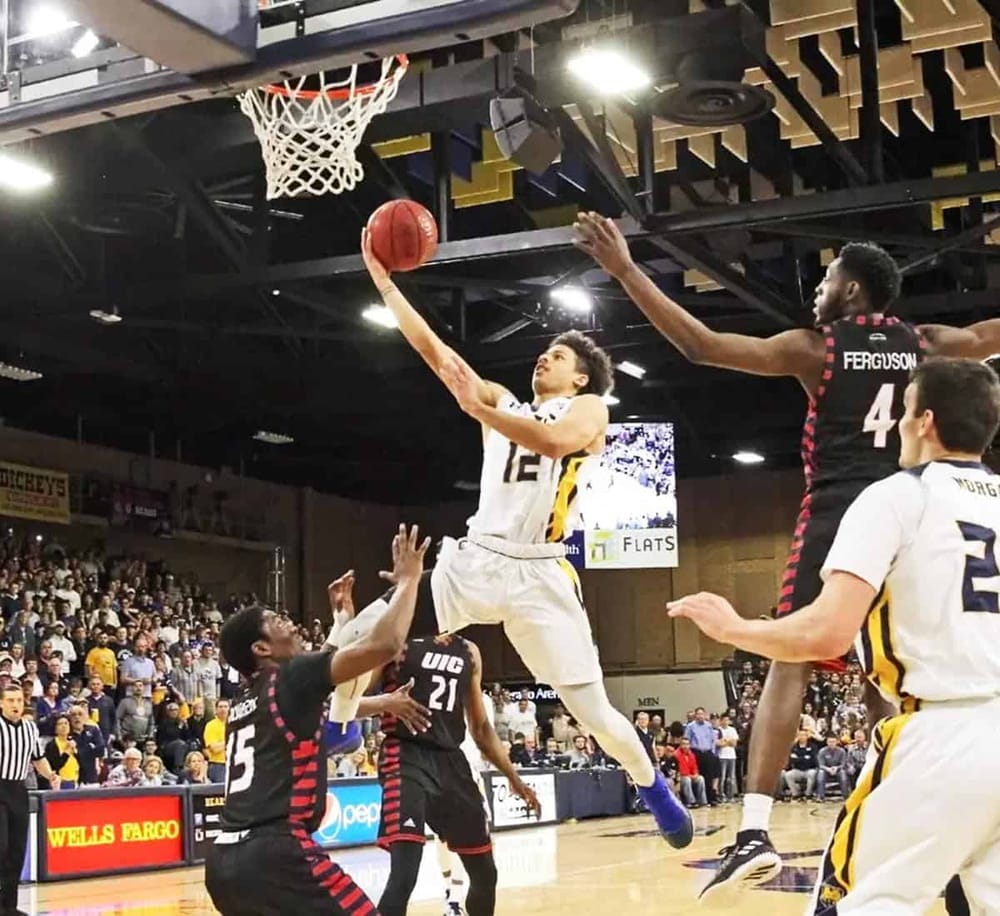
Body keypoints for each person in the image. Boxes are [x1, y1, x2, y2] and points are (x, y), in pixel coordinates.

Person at [577, 213, 1000, 892]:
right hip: (920, 507)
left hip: (843, 511)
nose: (817, 291)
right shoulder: (929, 343)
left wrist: (626, 271)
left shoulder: (818, 348)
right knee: (880, 673)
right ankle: (904, 795)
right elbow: (988, 335)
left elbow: (702, 345)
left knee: (789, 658)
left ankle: (753, 829)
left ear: (853, 291)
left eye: (828, 278)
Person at [359, 230, 691, 848]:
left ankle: (652, 786)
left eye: (559, 356)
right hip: (476, 559)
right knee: (363, 635)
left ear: (582, 377)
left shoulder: (590, 411)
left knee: (593, 714)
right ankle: (331, 723)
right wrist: (384, 281)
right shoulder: (504, 399)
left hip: (541, 575)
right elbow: (438, 354)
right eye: (543, 353)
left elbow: (555, 443)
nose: (544, 358)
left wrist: (483, 413)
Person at [668, 358, 1000, 912]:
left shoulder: (896, 496)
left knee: (854, 902)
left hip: (940, 735)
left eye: (905, 413)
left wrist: (736, 628)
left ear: (925, 422)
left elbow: (826, 635)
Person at [205, 525, 430, 916]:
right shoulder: (290, 679)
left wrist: (342, 622)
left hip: (224, 863)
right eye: (277, 620)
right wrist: (410, 580)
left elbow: (317, 683)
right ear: (261, 648)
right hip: (277, 854)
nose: (289, 622)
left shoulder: (246, 699)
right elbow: (385, 644)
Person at [372, 629, 539, 916]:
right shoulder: (396, 639)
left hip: (452, 760)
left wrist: (514, 778)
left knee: (486, 874)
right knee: (404, 875)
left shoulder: (469, 650)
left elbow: (481, 728)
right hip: (405, 755)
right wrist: (384, 703)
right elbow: (347, 701)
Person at [0, 682, 60, 913]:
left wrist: (51, 775)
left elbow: (38, 759)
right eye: (10, 700)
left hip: (18, 790)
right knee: (2, 847)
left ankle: (8, 907)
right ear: (1, 703)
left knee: (17, 851)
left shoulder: (30, 729)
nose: (15, 705)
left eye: (19, 700)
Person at [43, 715, 79, 789]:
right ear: (55, 728)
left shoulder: (73, 742)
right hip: (60, 782)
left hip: (75, 781)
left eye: (66, 723)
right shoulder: (52, 745)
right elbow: (55, 765)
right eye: (60, 724)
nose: (64, 726)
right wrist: (66, 753)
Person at [202, 698, 228, 783]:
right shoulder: (210, 725)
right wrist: (231, 739)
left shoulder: (235, 723)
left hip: (233, 763)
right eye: (220, 707)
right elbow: (214, 748)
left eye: (225, 706)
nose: (223, 709)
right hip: (218, 765)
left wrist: (222, 744)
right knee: (221, 792)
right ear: (216, 710)